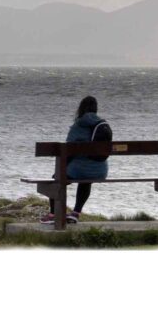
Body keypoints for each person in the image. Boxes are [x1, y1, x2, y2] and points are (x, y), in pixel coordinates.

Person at [40, 95, 109, 224]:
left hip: (80, 169)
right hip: (101, 170)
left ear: (81, 109)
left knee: (56, 178)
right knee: (86, 181)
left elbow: (67, 151)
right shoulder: (102, 125)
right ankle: (75, 213)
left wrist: (63, 167)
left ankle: (53, 214)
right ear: (96, 109)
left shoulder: (79, 125)